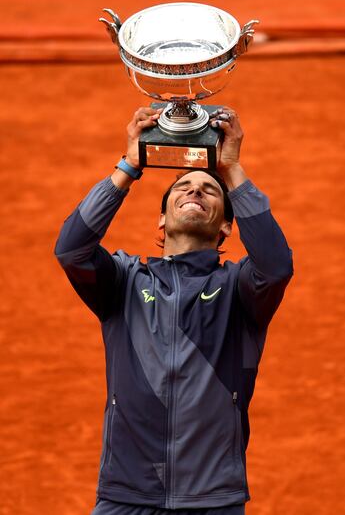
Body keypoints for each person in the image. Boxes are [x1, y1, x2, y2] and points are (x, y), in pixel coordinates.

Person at [55, 106, 293, 515]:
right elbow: (72, 250)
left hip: (212, 499)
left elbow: (276, 265)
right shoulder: (125, 282)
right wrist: (129, 165)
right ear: (161, 222)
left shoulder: (237, 289)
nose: (195, 191)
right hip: (125, 493)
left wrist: (232, 170)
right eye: (183, 186)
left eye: (209, 189)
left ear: (225, 228)